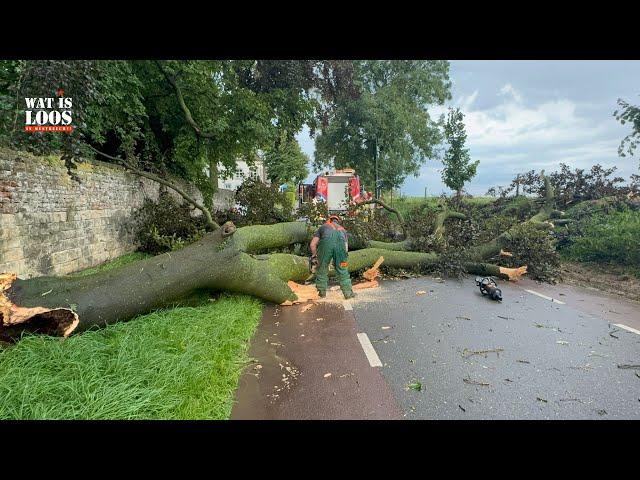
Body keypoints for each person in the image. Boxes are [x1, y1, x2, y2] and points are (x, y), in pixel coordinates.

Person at [309, 214, 355, 299]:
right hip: (341, 249)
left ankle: (321, 294)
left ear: (329, 220)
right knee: (343, 269)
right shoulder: (343, 230)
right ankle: (348, 293)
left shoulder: (323, 227)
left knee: (322, 268)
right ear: (338, 221)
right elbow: (346, 247)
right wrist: (341, 259)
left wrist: (314, 255)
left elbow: (312, 244)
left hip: (326, 246)